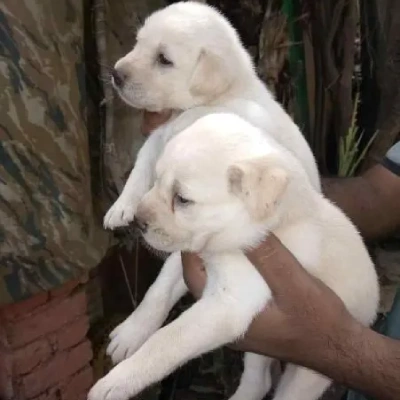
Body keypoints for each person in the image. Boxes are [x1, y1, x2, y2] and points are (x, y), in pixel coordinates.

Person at [142, 111, 400, 400]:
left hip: (355, 338)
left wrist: (342, 348)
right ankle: (253, 383)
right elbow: (379, 194)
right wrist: (280, 188)